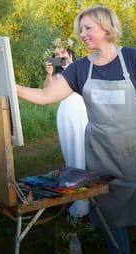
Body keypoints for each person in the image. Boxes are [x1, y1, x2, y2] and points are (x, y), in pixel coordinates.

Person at [16, 5, 136, 254]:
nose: (83, 34)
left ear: (106, 26)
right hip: (101, 158)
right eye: (81, 29)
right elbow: (46, 95)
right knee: (110, 221)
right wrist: (11, 85)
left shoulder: (133, 58)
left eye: (88, 28)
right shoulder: (80, 68)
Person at [44, 39, 89, 217]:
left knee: (84, 152)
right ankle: (77, 198)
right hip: (65, 115)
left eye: (63, 54)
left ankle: (88, 196)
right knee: (70, 153)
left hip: (81, 113)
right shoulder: (56, 77)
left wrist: (71, 66)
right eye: (56, 55)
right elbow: (45, 92)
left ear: (70, 54)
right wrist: (48, 74)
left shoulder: (80, 68)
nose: (60, 57)